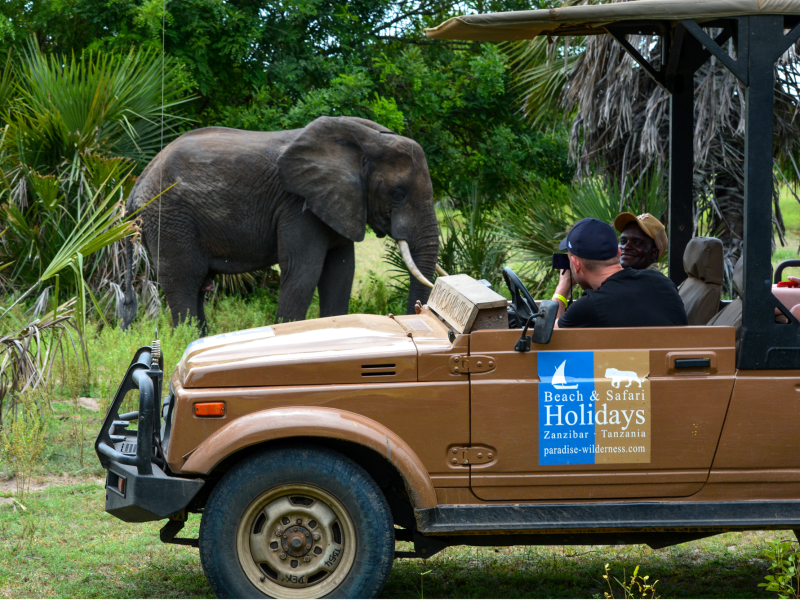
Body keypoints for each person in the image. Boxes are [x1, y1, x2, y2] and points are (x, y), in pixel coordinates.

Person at [553, 218, 688, 328]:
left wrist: (562, 288)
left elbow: (547, 336)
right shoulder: (663, 282)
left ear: (576, 264)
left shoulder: (589, 306)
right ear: (618, 252)